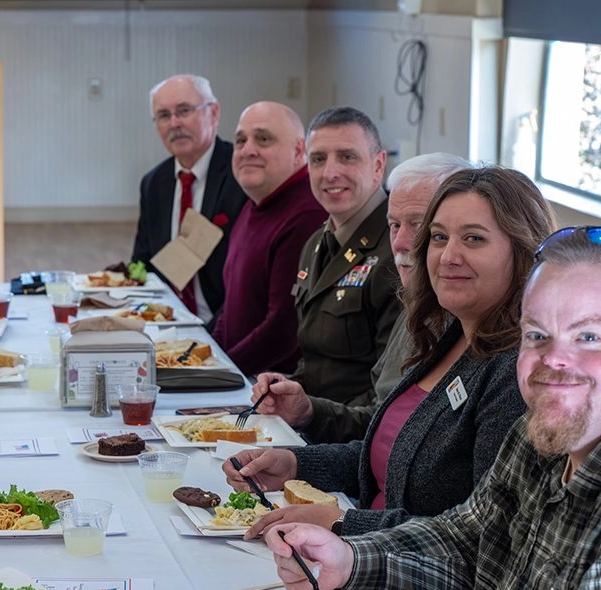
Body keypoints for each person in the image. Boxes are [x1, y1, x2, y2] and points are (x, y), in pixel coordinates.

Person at [267, 225, 601, 590]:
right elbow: (467, 541)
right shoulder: (531, 437)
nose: (553, 359)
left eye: (589, 337)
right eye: (536, 335)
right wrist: (349, 560)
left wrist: (344, 527)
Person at [224, 166, 553, 538]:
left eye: (474, 239)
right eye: (439, 237)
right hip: (363, 550)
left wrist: (340, 523)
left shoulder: (515, 372)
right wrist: (295, 464)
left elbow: (484, 535)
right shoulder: (449, 335)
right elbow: (394, 457)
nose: (448, 256)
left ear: (523, 250)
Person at [256, 152, 471, 443]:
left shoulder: (470, 326)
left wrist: (304, 456)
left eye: (418, 224)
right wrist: (308, 412)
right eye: (394, 225)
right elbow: (379, 419)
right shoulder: (418, 305)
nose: (399, 242)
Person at [285, 106, 402, 406]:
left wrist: (312, 414)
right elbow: (316, 361)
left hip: (353, 429)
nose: (330, 173)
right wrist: (287, 389)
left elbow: (390, 393)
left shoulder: (396, 250)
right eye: (318, 159)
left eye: (347, 157)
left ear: (378, 165)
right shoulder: (315, 244)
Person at [209, 101, 325, 376]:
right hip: (242, 371)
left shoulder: (306, 214)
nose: (247, 150)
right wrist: (206, 354)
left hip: (274, 384)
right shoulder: (255, 203)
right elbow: (232, 305)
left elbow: (282, 330)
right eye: (240, 141)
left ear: (299, 150)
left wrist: (219, 373)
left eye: (263, 139)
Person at [131, 74, 247, 325]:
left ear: (213, 113)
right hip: (164, 322)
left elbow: (250, 284)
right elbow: (143, 264)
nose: (174, 123)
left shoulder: (242, 175)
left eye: (184, 111)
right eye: (164, 115)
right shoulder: (153, 183)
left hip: (223, 325)